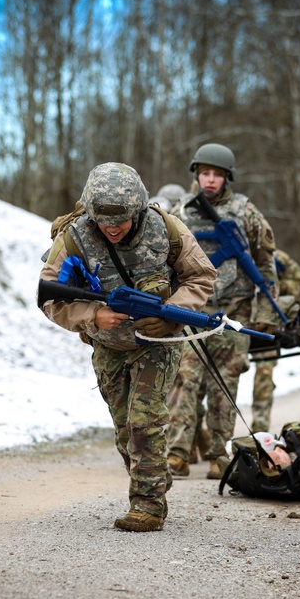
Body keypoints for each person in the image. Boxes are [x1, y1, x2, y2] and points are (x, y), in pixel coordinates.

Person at [39, 162, 217, 532]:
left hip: (157, 344)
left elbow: (201, 276)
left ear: (137, 209)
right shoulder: (73, 238)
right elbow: (49, 298)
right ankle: (153, 476)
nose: (112, 228)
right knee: (125, 429)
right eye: (104, 221)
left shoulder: (167, 229)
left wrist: (172, 316)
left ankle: (148, 505)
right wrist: (93, 315)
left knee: (144, 422)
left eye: (120, 220)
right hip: (107, 345)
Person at [164, 143, 281, 480]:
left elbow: (265, 262)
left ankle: (219, 455)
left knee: (225, 386)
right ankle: (177, 453)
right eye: (205, 173)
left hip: (233, 311)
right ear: (197, 175)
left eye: (217, 174)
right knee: (184, 380)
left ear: (227, 177)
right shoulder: (181, 211)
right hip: (190, 310)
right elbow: (164, 257)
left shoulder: (246, 212)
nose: (210, 180)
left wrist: (267, 312)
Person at [251, 248, 300, 432]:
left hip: (266, 325)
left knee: (264, 378)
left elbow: (299, 286)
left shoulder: (277, 258)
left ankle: (260, 429)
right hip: (234, 322)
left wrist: (272, 286)